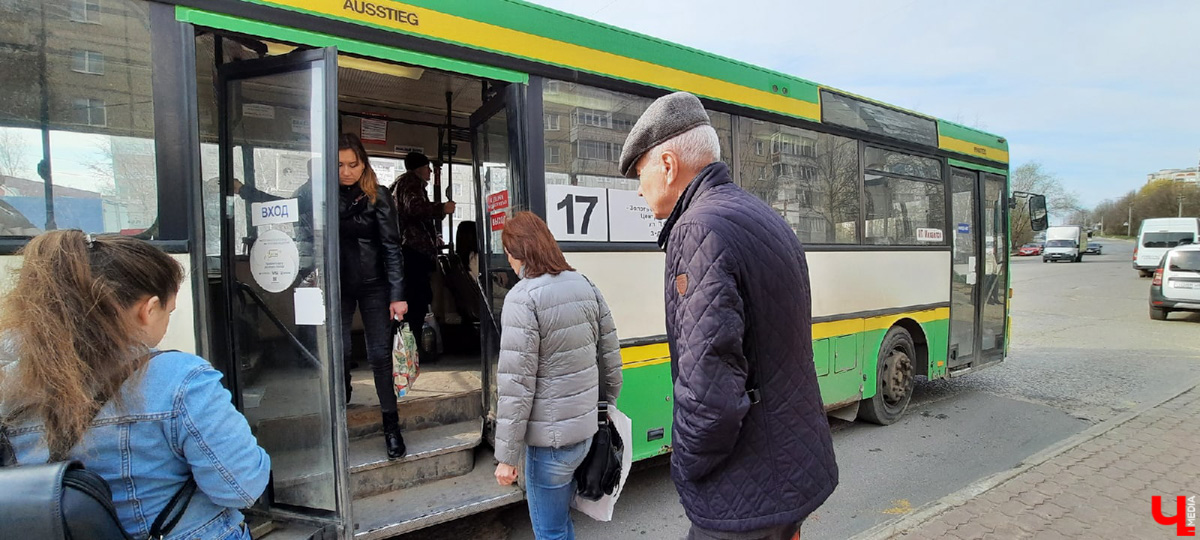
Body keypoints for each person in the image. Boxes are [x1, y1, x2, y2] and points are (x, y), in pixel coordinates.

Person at [619, 92, 838, 540]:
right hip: (790, 474)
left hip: (744, 492)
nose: (639, 190)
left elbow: (709, 395)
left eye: (639, 174)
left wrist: (684, 465)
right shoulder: (761, 215)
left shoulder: (696, 230)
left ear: (667, 165)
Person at [0, 231, 271, 539]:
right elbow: (241, 488)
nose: (167, 319)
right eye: (169, 311)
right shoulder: (181, 378)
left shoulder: (10, 382)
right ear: (149, 309)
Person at [492, 212, 622, 540]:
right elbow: (610, 358)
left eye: (507, 252)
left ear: (516, 254)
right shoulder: (584, 284)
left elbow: (515, 386)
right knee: (562, 524)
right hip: (586, 431)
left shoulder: (522, 298)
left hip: (550, 445)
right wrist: (606, 408)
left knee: (550, 532)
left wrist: (506, 457)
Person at [338, 133, 409, 459]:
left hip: (374, 285)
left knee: (380, 355)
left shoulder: (378, 196)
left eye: (353, 164)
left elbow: (392, 248)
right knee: (338, 349)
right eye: (339, 165)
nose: (347, 171)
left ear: (363, 163)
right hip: (337, 286)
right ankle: (342, 395)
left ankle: (391, 427)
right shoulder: (323, 195)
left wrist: (397, 294)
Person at [392, 152, 455, 361]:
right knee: (417, 302)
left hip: (411, 250)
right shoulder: (411, 183)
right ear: (419, 168)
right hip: (413, 253)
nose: (429, 171)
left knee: (416, 301)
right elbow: (414, 208)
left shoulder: (401, 185)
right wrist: (441, 208)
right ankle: (413, 350)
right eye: (428, 167)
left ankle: (411, 348)